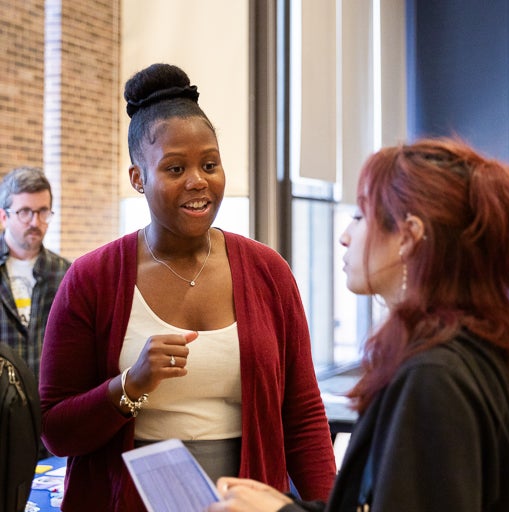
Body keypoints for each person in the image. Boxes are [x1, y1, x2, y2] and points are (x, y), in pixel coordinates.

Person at [39, 63, 336, 512]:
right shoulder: (91, 279)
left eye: (210, 164)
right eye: (175, 168)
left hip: (247, 501)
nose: (198, 181)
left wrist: (330, 506)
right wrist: (129, 385)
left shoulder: (267, 271)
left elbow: (304, 415)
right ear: (138, 178)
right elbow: (55, 430)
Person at [206, 137, 509, 512]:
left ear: (408, 237)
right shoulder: (473, 348)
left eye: (360, 216)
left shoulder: (434, 377)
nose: (345, 236)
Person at [0, 167, 70, 458]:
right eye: (25, 212)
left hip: (46, 422)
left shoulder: (66, 273)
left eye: (43, 212)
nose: (36, 221)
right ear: (4, 216)